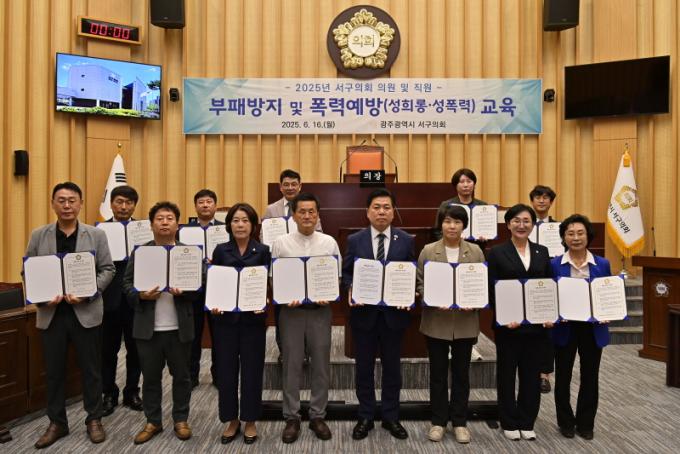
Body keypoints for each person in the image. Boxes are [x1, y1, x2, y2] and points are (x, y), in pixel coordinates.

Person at [25, 182, 115, 449]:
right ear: (53, 204)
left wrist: (89, 292)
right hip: (51, 314)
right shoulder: (39, 235)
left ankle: (94, 419)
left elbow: (108, 269)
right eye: (61, 200)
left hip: (85, 312)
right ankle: (57, 422)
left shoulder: (96, 234)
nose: (67, 205)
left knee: (91, 370)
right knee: (53, 372)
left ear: (80, 204)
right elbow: (28, 270)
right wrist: (42, 296)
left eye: (72, 200)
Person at [123, 201, 198, 444]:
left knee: (182, 377)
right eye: (159, 219)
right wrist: (141, 296)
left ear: (177, 224)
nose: (164, 222)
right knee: (150, 378)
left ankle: (181, 419)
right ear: (151, 224)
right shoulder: (140, 252)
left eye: (169, 218)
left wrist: (185, 291)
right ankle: (153, 421)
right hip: (148, 328)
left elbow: (200, 285)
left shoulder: (189, 253)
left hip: (179, 327)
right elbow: (126, 284)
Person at [342, 188, 414, 441]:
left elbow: (410, 272)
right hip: (365, 315)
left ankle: (391, 416)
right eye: (376, 207)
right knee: (364, 368)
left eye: (386, 207)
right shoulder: (355, 240)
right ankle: (365, 416)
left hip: (394, 316)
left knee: (392, 369)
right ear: (367, 212)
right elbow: (347, 272)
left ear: (393, 212)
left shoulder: (406, 240)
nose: (381, 212)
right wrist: (350, 288)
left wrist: (409, 295)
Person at [271, 193, 340, 444]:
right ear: (293, 215)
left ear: (318, 215)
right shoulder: (281, 243)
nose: (307, 216)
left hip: (320, 312)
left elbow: (336, 277)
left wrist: (328, 294)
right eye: (302, 211)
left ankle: (317, 415)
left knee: (321, 364)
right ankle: (292, 416)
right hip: (291, 313)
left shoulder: (329, 242)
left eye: (312, 211)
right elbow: (274, 277)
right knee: (291, 364)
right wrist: (283, 295)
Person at [416, 205, 485, 444]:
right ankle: (438, 421)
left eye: (457, 222)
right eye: (447, 221)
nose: (452, 226)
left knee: (461, 375)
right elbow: (419, 282)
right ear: (441, 224)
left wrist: (474, 302)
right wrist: (431, 298)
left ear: (464, 225)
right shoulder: (428, 251)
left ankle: (459, 422)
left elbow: (481, 284)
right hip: (436, 321)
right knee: (437, 375)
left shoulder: (475, 251)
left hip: (465, 322)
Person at [486, 204, 554, 441]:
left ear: (533, 225)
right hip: (509, 327)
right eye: (516, 220)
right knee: (506, 375)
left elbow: (548, 286)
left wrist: (549, 314)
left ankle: (527, 420)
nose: (521, 225)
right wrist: (504, 317)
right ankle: (508, 421)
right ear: (508, 224)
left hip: (536, 328)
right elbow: (491, 288)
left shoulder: (542, 252)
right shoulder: (496, 252)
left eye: (526, 221)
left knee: (531, 375)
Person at [210, 203, 270, 445]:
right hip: (225, 321)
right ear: (229, 225)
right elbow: (215, 281)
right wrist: (214, 303)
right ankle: (231, 419)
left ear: (253, 225)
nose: (240, 225)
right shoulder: (221, 250)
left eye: (245, 220)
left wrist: (265, 301)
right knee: (226, 372)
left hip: (252, 321)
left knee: (252, 371)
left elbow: (267, 284)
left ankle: (250, 419)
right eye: (235, 220)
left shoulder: (262, 250)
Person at [552, 214, 611, 441]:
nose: (575, 238)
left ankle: (586, 423)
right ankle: (565, 422)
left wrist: (606, 313)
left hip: (592, 328)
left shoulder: (602, 264)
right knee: (563, 376)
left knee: (590, 376)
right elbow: (550, 297)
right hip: (565, 327)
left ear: (588, 236)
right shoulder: (554, 264)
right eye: (570, 233)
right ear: (564, 237)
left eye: (580, 233)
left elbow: (607, 294)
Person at [263, 169, 322, 363]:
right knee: (283, 309)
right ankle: (284, 350)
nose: (290, 188)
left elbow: (319, 233)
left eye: (293, 184)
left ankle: (305, 350)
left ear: (300, 186)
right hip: (284, 265)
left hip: (307, 265)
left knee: (305, 309)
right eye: (286, 184)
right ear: (280, 187)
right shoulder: (271, 209)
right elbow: (264, 237)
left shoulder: (309, 208)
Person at [436, 168, 487, 361]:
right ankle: (448, 342)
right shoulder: (446, 205)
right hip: (448, 255)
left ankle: (470, 344)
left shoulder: (483, 207)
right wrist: (452, 239)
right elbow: (437, 231)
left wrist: (483, 239)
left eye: (469, 181)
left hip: (472, 257)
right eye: (461, 181)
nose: (466, 185)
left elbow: (488, 237)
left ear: (474, 183)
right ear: (455, 185)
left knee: (470, 297)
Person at [101, 185, 143, 416]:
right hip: (109, 300)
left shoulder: (144, 230)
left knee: (135, 351)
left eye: (129, 203)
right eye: (119, 202)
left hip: (136, 300)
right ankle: (108, 393)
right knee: (108, 351)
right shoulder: (100, 232)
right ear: (111, 204)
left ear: (134, 205)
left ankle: (132, 392)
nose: (124, 207)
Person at [188, 188, 222, 388]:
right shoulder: (185, 231)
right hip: (194, 289)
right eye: (201, 202)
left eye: (209, 201)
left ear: (215, 206)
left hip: (217, 288)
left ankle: (218, 375)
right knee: (193, 335)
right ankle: (192, 375)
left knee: (219, 334)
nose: (205, 205)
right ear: (195, 206)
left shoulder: (225, 230)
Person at [529, 184, 558, 394]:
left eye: (546, 197)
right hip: (528, 280)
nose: (541, 200)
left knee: (548, 329)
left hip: (550, 280)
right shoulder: (524, 224)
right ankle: (528, 369)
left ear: (551, 202)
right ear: (532, 201)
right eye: (538, 197)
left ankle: (544, 374)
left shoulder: (559, 228)